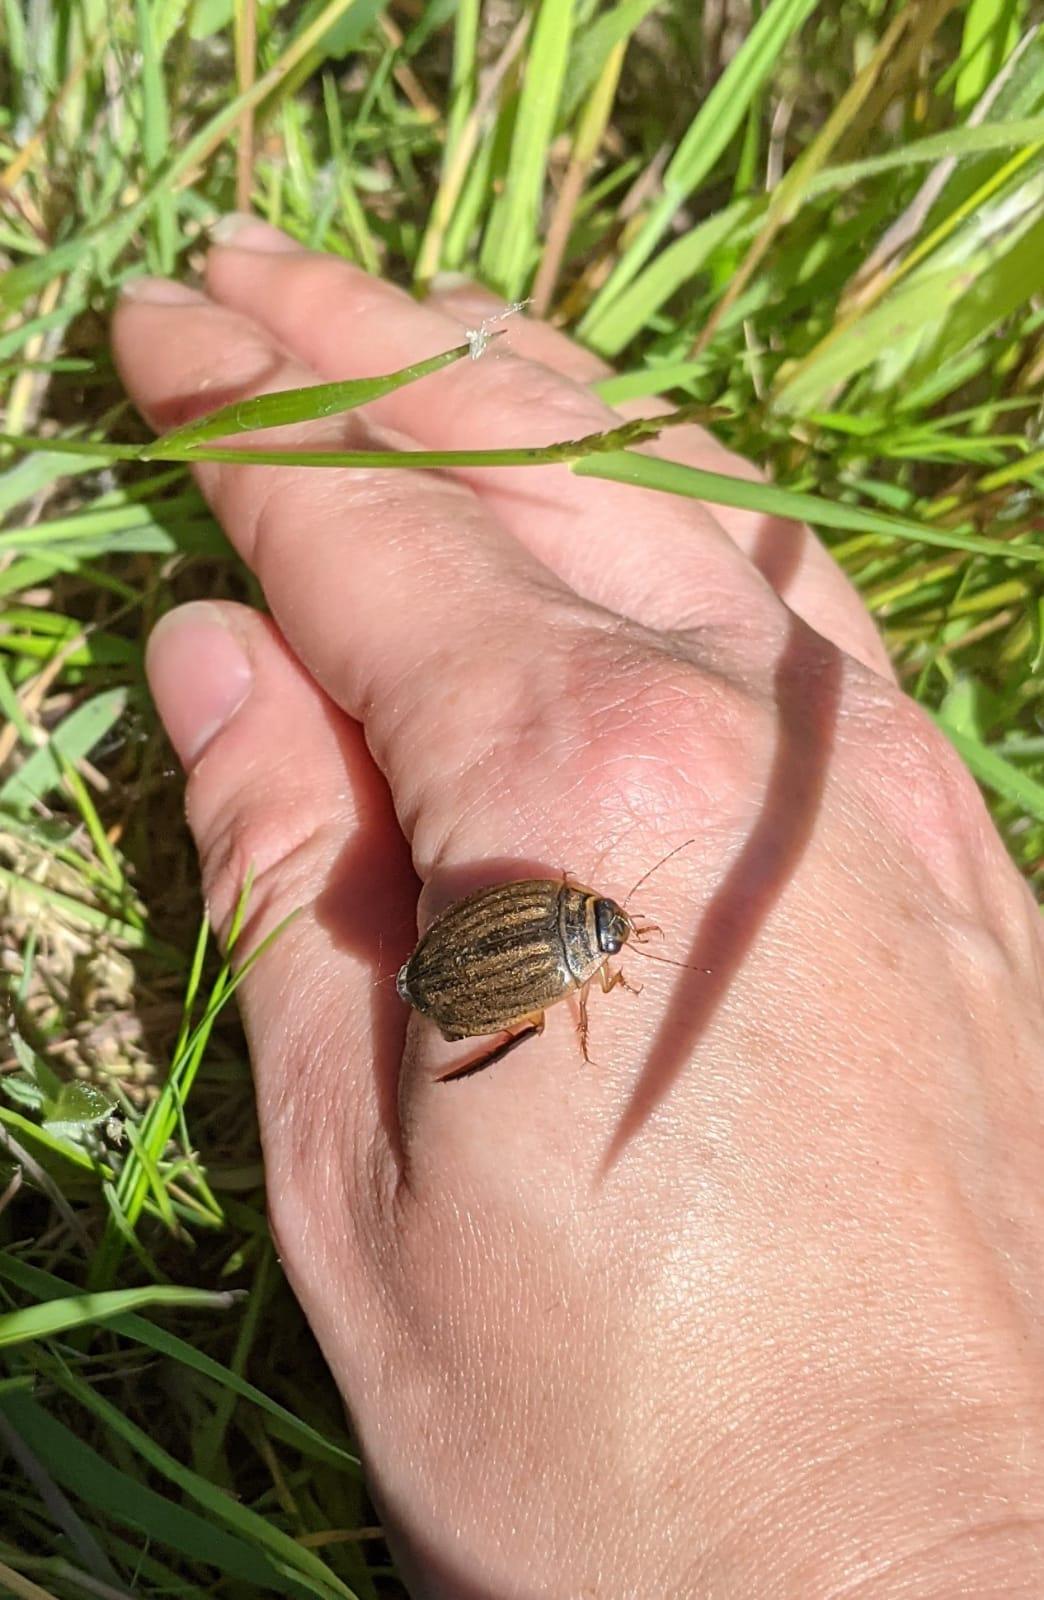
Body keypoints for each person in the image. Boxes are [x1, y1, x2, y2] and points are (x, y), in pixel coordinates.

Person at [116, 215, 1044, 1598]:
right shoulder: (571, 934)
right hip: (485, 969)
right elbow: (551, 922)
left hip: (483, 977)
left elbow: (551, 932)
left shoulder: (570, 942)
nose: (621, 933)